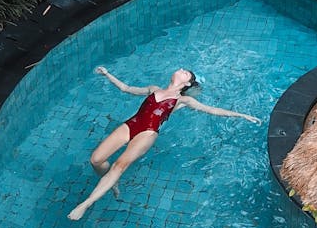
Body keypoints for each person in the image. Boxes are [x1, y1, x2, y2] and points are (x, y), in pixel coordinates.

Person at [67, 66, 262, 220]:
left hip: (147, 133)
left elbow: (212, 110)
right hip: (131, 124)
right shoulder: (153, 89)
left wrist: (242, 115)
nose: (181, 69)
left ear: (186, 83)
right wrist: (107, 74)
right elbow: (126, 88)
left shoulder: (182, 100)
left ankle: (86, 204)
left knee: (119, 165)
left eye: (185, 72)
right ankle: (112, 182)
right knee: (96, 160)